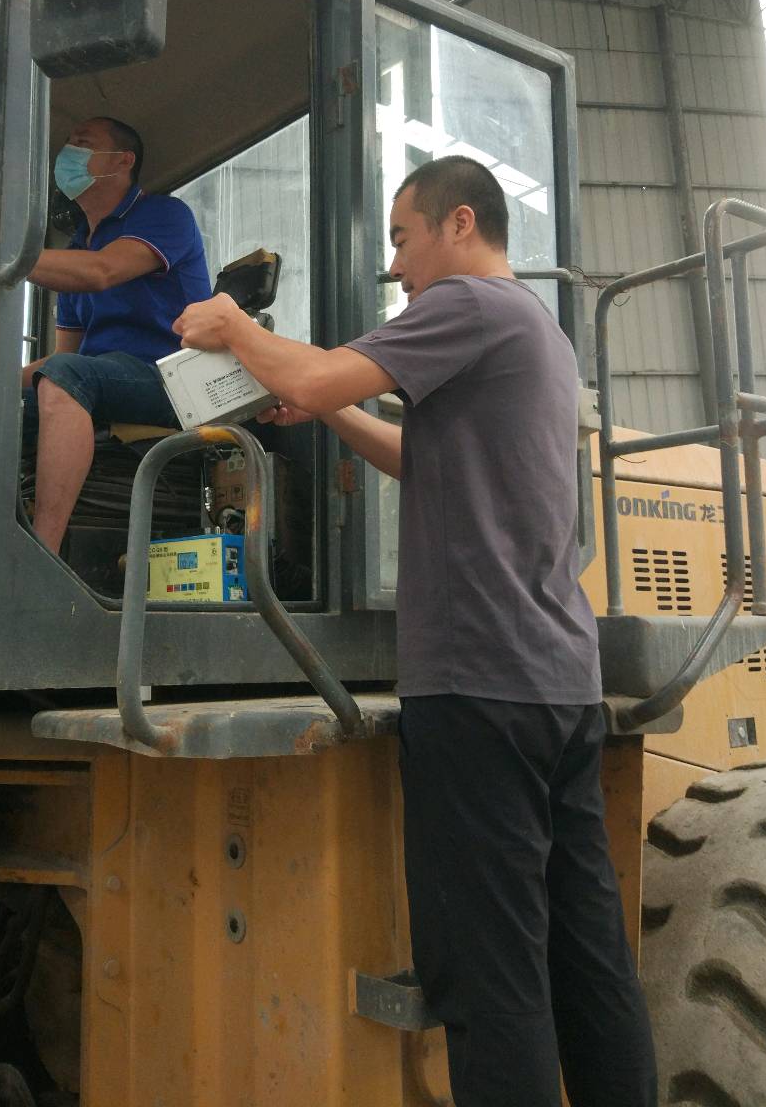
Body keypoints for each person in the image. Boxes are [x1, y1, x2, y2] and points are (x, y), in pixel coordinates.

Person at [173, 156, 657, 1107]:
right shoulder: (538, 330)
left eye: (402, 238)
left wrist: (234, 327)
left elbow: (314, 375)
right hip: (554, 684)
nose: (395, 265)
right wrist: (332, 409)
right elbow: (417, 452)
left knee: (491, 974)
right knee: (585, 952)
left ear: (459, 224)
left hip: (478, 686)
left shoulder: (469, 304)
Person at [21, 116, 209, 554]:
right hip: (104, 378)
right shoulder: (77, 249)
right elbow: (61, 358)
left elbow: (102, 271)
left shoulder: (165, 215)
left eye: (83, 143)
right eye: (68, 143)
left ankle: (41, 555)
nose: (68, 153)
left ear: (123, 161)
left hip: (172, 380)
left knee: (69, 376)